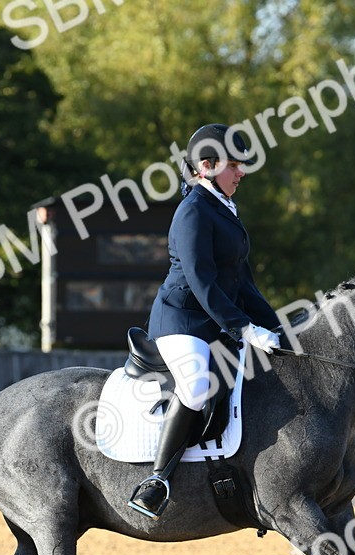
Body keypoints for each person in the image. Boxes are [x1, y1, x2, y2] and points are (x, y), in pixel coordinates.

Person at [127, 123, 282, 519]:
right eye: (234, 165)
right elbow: (201, 280)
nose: (241, 172)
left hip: (215, 320)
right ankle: (156, 480)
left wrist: (278, 328)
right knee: (196, 387)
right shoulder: (194, 210)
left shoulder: (224, 209)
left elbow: (242, 284)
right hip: (182, 321)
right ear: (206, 167)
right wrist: (244, 329)